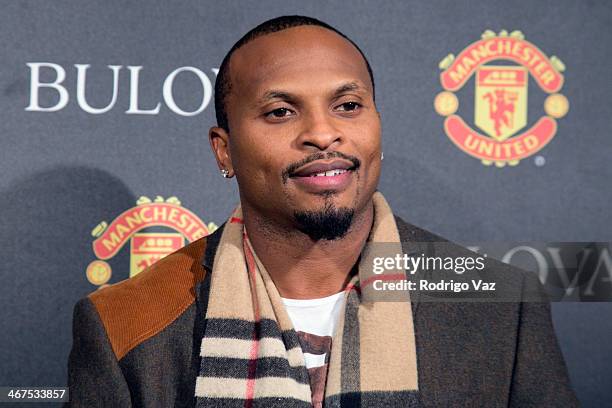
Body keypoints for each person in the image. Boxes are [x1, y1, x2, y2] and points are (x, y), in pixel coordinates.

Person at [66, 15, 578, 407]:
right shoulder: (124, 323)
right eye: (280, 112)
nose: (323, 132)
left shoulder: (502, 307)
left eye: (348, 106)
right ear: (224, 150)